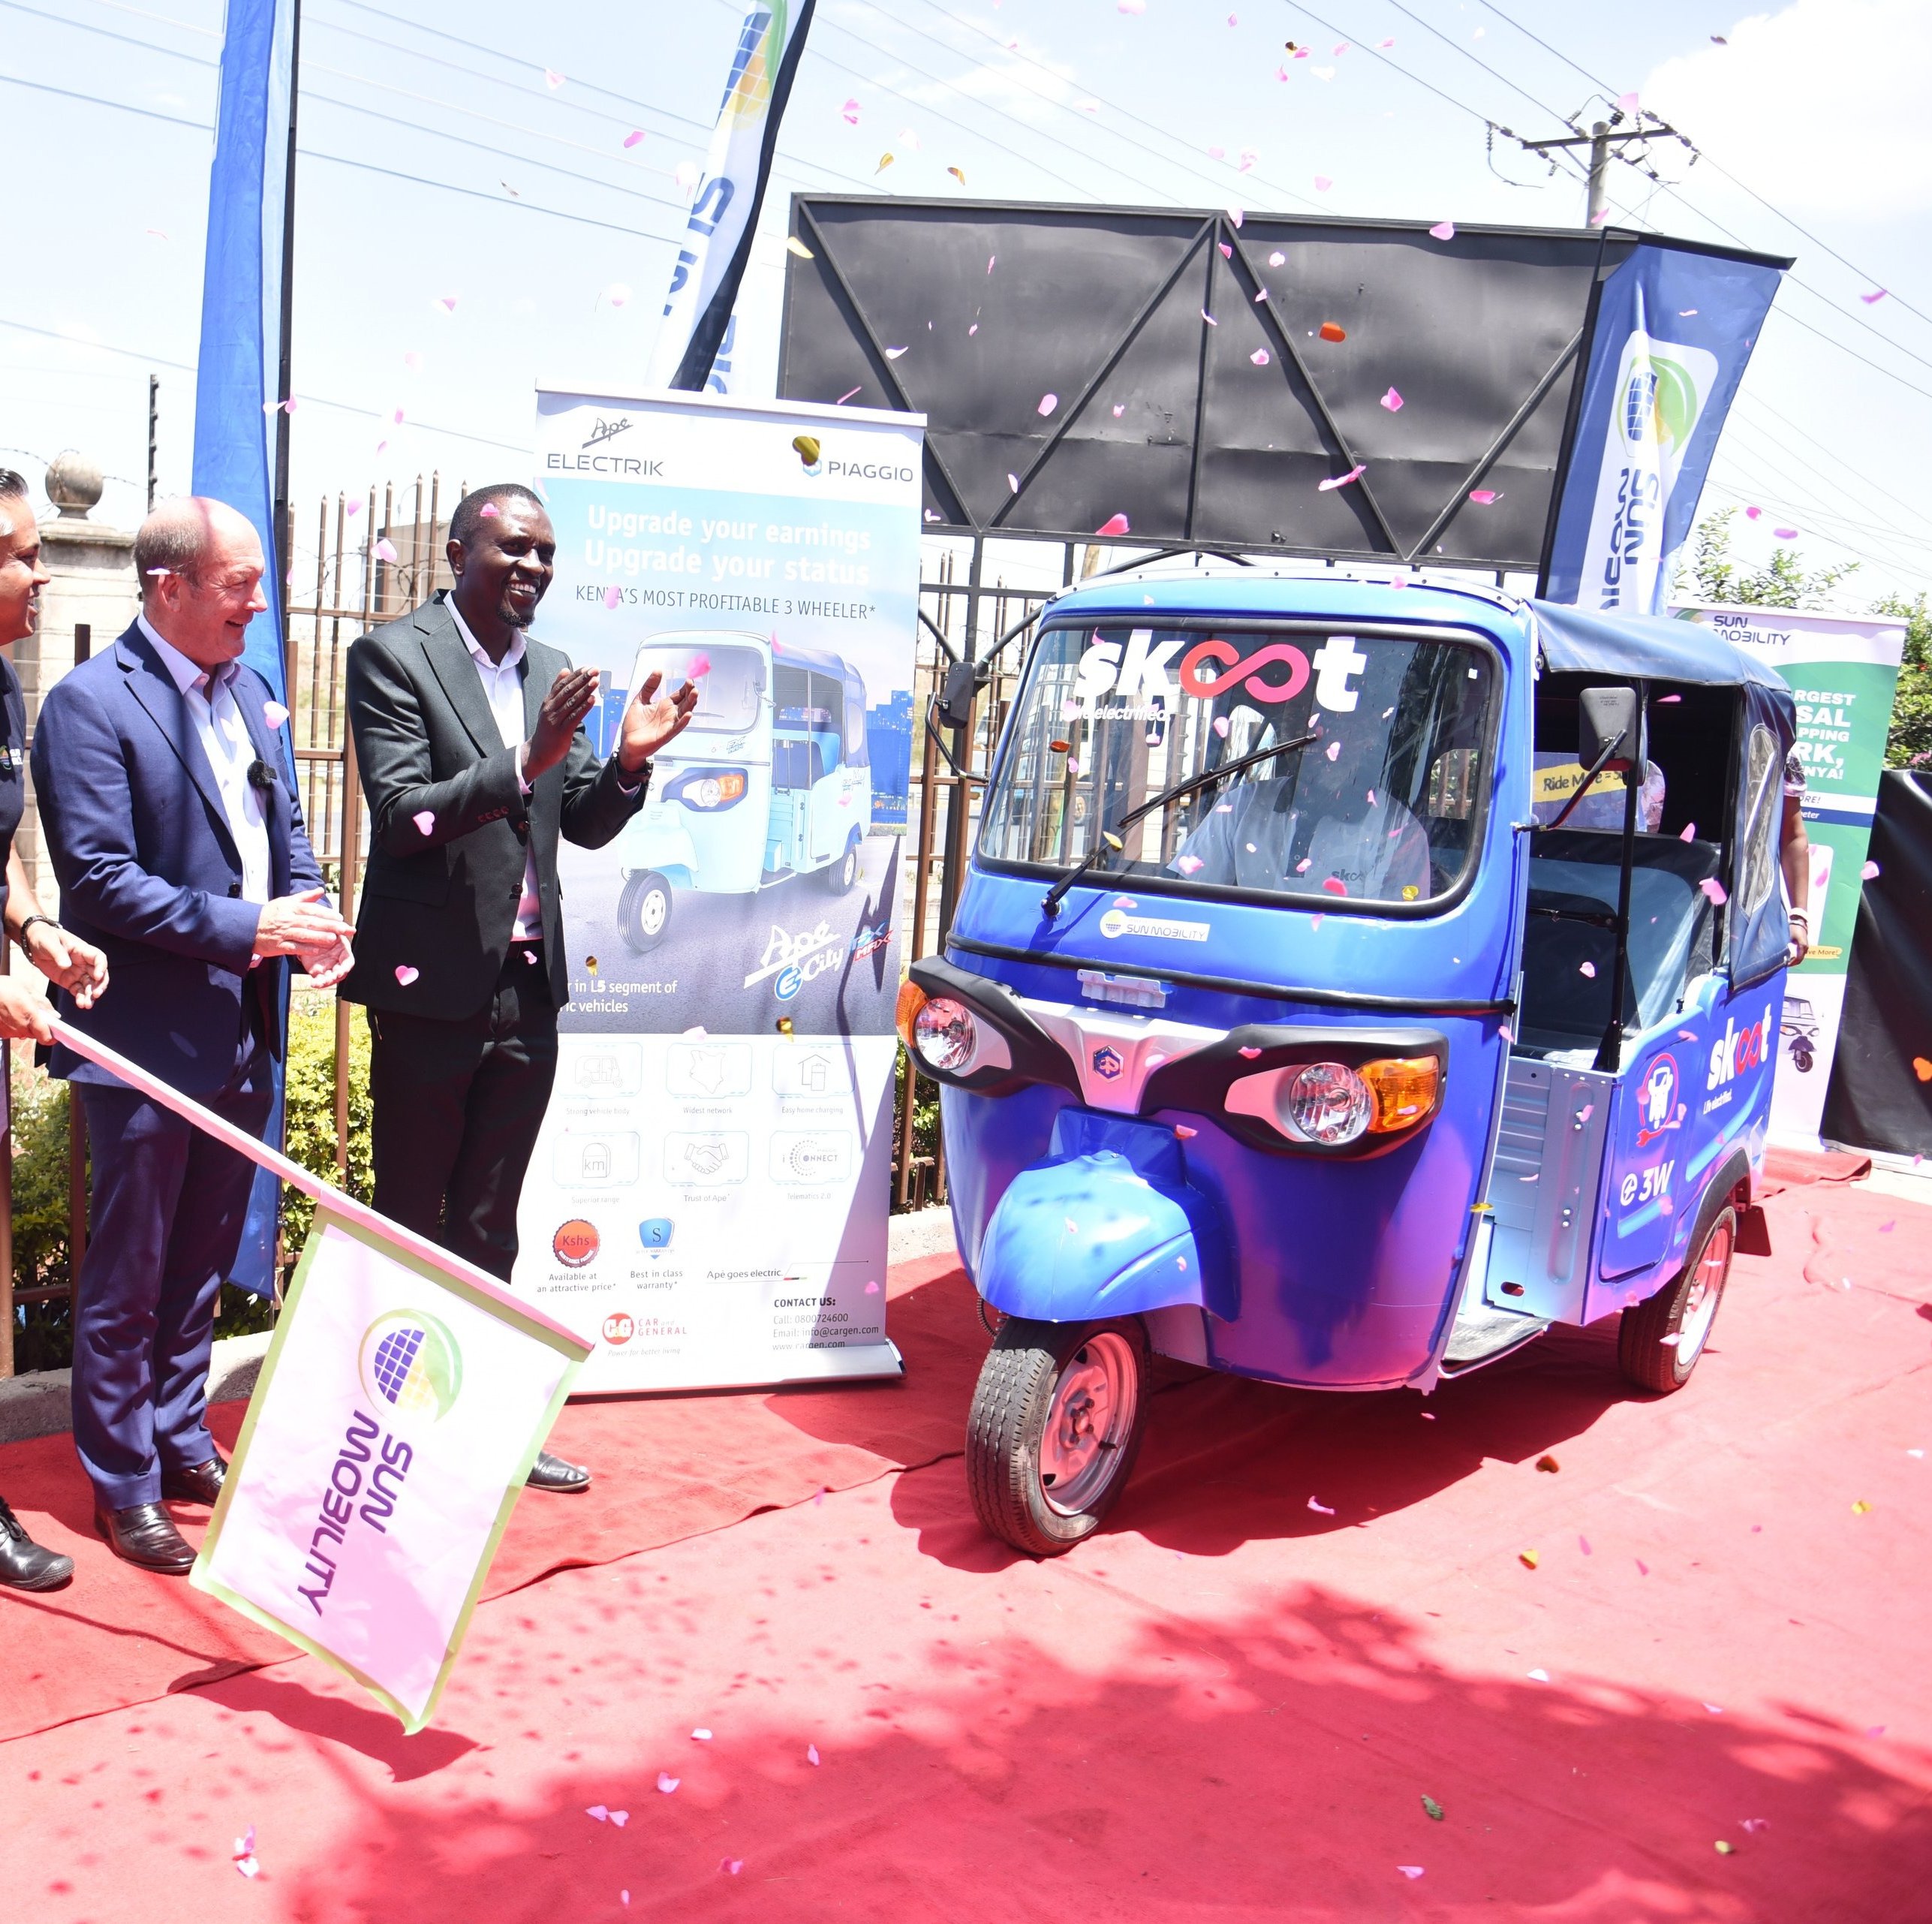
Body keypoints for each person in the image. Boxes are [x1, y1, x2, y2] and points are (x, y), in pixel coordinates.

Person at [339, 483, 696, 1495]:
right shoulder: (393, 656)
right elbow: (405, 809)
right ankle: (388, 1426)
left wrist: (625, 759)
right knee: (411, 1215)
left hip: (527, 989)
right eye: (513, 548)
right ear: (459, 552)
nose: (534, 567)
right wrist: (524, 757)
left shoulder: (551, 670)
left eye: (545, 552)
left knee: (493, 1221)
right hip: (429, 989)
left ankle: (488, 1424)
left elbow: (577, 819)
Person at [31, 497, 352, 1576]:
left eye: (259, 582)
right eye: (238, 584)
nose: (258, 606)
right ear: (168, 587)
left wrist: (307, 918)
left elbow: (285, 835)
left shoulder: (256, 695)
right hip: (143, 1038)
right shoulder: (86, 705)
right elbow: (100, 880)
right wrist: (250, 925)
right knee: (130, 1266)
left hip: (245, 1025)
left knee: (204, 1254)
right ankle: (121, 1478)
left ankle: (177, 1436)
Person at [0, 471, 113, 1591]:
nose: (37, 573)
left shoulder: (2, 683)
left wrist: (34, 930)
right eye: (17, 553)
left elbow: (2, 839)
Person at [1172, 721, 1431, 902]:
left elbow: (1392, 941)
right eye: (1304, 729)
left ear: (1367, 742)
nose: (1318, 739)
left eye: (1337, 728)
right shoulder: (1242, 804)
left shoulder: (1396, 828)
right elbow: (1184, 900)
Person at [1782, 746, 1813, 963]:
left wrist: (1798, 916)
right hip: (1665, 880)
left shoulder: (1781, 745)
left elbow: (1792, 835)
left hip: (1743, 898)